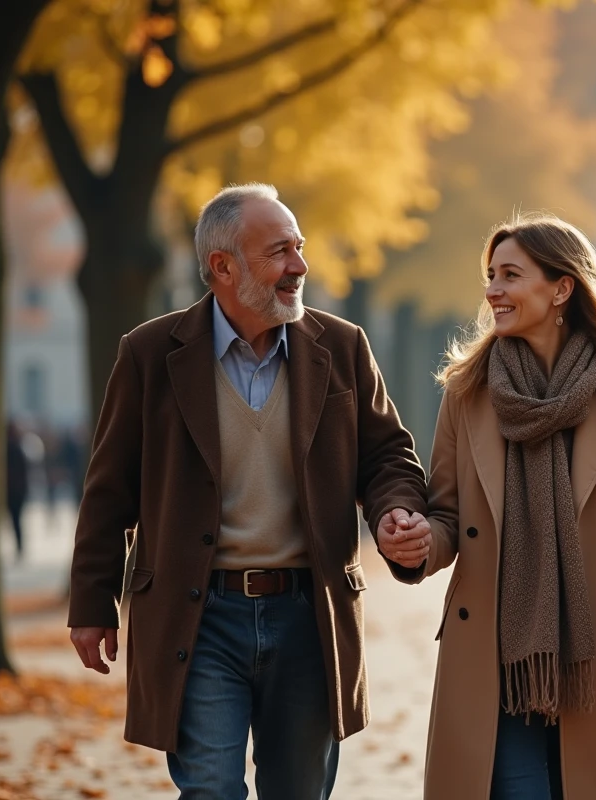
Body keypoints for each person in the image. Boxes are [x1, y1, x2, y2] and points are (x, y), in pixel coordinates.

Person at [67, 183, 432, 799]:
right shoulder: (151, 354)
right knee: (210, 789)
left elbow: (387, 453)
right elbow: (109, 488)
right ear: (223, 268)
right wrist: (92, 600)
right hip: (197, 615)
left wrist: (398, 508)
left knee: (298, 791)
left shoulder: (341, 347)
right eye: (280, 251)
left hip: (308, 613)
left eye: (300, 247)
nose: (300, 266)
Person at [379, 212, 596, 799]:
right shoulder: (468, 392)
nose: (493, 290)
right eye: (491, 275)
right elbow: (447, 516)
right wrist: (415, 539)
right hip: (494, 656)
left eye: (511, 275)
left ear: (562, 287)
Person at [5, 420, 29, 560]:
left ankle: (19, 546)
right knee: (16, 519)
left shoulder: (12, 448)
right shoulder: (19, 448)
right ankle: (19, 546)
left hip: (13, 490)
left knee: (15, 519)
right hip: (18, 490)